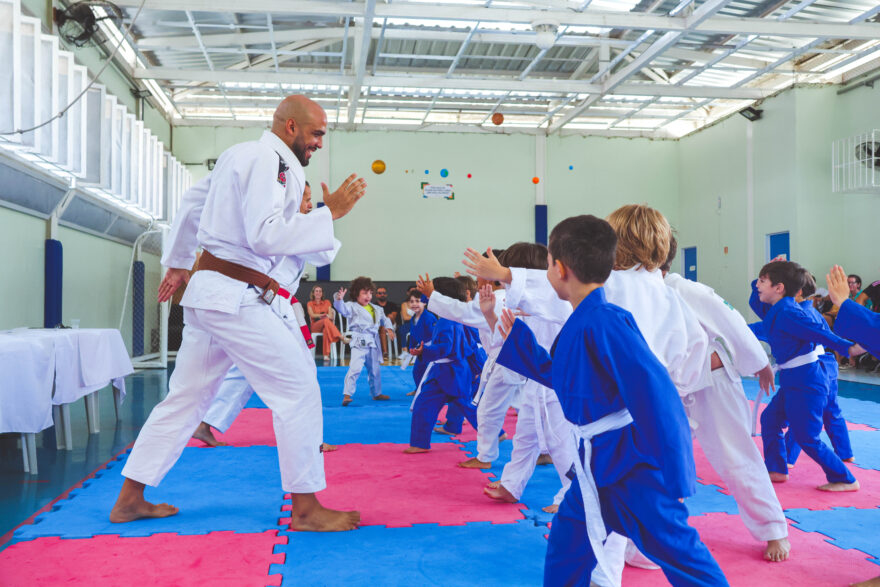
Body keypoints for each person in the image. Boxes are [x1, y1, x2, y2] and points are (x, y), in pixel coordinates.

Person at [109, 95, 366, 532]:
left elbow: (193, 203)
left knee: (186, 398)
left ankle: (130, 499)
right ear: (290, 126)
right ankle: (306, 509)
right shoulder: (271, 161)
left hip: (213, 294)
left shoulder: (240, 155)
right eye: (317, 133)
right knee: (298, 389)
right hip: (235, 296)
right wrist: (332, 212)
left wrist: (178, 260)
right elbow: (265, 236)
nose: (320, 143)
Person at [495, 214, 728, 587]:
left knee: (680, 553)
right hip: (596, 465)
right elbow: (567, 380)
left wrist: (677, 472)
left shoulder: (606, 321)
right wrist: (520, 343)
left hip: (631, 466)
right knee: (566, 547)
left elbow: (656, 394)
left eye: (549, 265)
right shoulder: (585, 319)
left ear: (560, 268)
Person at [662, 235, 791, 562]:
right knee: (658, 459)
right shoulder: (633, 292)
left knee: (736, 457)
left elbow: (731, 321)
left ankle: (773, 528)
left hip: (713, 382)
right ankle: (655, 532)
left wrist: (759, 362)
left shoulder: (687, 289)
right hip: (671, 386)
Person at [191, 184, 341, 450]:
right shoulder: (286, 227)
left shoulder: (279, 225)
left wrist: (324, 217)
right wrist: (329, 214)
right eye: (306, 199)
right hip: (272, 303)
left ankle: (206, 422)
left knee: (244, 369)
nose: (309, 205)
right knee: (303, 372)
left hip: (266, 301)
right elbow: (325, 254)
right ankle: (310, 439)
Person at [752, 260, 863, 491]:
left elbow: (820, 333)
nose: (757, 285)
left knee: (807, 437)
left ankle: (844, 478)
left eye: (762, 281)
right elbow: (756, 304)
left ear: (779, 288)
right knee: (770, 420)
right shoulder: (778, 309)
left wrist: (850, 348)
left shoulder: (792, 313)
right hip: (794, 380)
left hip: (808, 382)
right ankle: (776, 469)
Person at [417, 248, 521, 469]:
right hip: (518, 361)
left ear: (492, 276)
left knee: (489, 410)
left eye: (479, 274)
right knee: (527, 410)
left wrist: (433, 295)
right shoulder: (510, 296)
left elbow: (463, 312)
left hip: (506, 361)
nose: (476, 279)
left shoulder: (496, 299)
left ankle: (485, 457)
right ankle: (541, 451)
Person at [784, 270, 854, 466]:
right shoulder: (812, 312)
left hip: (813, 369)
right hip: (827, 365)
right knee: (831, 411)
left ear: (797, 292)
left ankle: (787, 458)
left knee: (802, 413)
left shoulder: (798, 314)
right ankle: (845, 453)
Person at [405, 277, 480, 454]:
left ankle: (495, 433)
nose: (427, 299)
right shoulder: (452, 317)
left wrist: (425, 351)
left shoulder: (447, 320)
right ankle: (420, 443)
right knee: (428, 404)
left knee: (461, 406)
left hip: (450, 371)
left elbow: (447, 347)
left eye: (431, 294)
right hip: (450, 371)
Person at [334, 277, 395, 406]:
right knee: (355, 368)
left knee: (375, 370)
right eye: (364, 293)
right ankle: (347, 394)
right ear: (356, 294)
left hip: (373, 341)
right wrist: (339, 299)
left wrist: (389, 328)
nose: (368, 296)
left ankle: (376, 393)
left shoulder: (377, 308)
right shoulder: (351, 306)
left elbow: (385, 319)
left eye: (370, 293)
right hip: (359, 341)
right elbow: (342, 309)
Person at [829, 265, 880, 358]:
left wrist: (844, 303)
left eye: (852, 283)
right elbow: (860, 299)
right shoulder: (876, 284)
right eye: (848, 283)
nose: (850, 285)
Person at [308, 284, 342, 361]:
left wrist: (323, 316)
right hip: (315, 326)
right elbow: (312, 315)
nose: (318, 293)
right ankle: (340, 336)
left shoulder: (327, 302)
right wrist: (324, 315)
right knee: (326, 320)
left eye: (320, 291)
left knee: (326, 329)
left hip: (326, 325)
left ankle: (326, 355)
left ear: (322, 293)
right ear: (313, 293)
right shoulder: (310, 303)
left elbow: (331, 316)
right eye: (316, 291)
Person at [375, 285, 399, 360]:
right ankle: (385, 353)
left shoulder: (392, 305)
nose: (382, 294)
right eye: (380, 293)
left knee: (389, 318)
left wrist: (385, 319)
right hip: (377, 326)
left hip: (392, 325)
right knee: (382, 326)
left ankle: (384, 353)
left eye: (384, 293)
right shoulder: (374, 306)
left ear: (386, 294)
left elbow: (393, 317)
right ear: (376, 295)